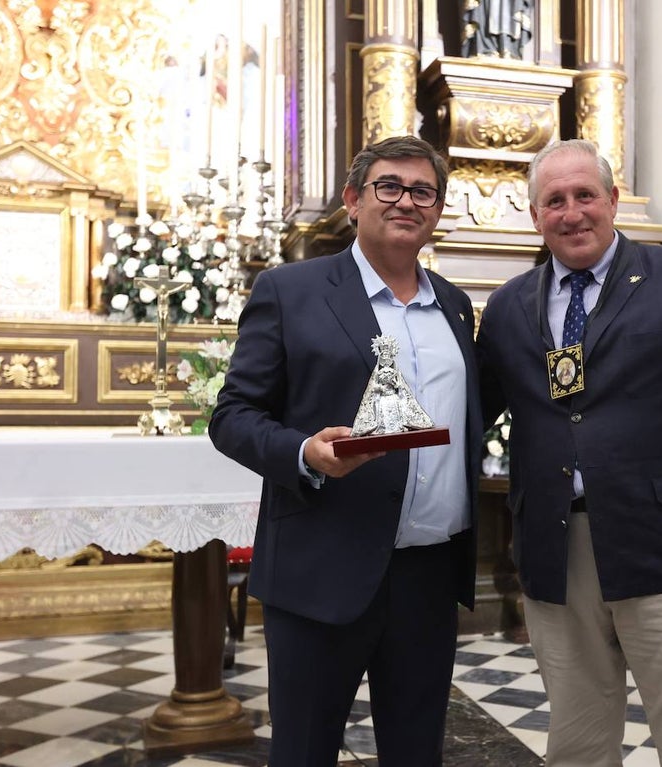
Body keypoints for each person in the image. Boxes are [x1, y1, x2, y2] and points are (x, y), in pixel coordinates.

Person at [476, 139, 662, 767]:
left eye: (585, 195)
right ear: (536, 216)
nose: (572, 212)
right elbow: (468, 416)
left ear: (613, 201)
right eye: (554, 200)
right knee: (577, 744)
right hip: (556, 554)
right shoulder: (508, 307)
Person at [210, 135, 483, 766]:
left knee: (416, 752)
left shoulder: (455, 304)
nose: (406, 202)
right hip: (322, 564)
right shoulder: (291, 290)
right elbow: (232, 417)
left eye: (423, 191)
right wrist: (306, 451)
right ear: (353, 199)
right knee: (305, 752)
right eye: (389, 186)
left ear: (437, 209)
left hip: (428, 574)